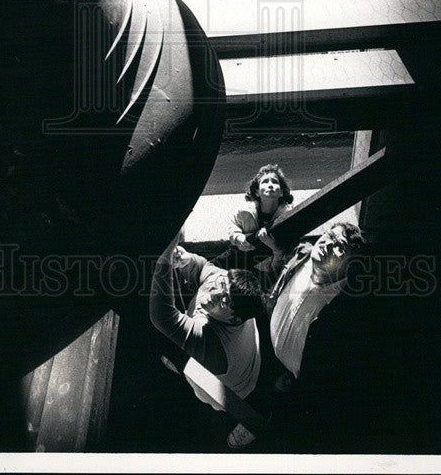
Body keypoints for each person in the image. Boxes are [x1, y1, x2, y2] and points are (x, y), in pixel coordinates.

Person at [227, 221, 366, 449]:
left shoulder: (345, 306)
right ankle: (253, 418)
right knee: (260, 392)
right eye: (328, 235)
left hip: (295, 383)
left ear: (350, 264)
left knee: (285, 418)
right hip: (267, 351)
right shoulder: (302, 255)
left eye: (339, 245)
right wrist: (277, 252)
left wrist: (302, 382)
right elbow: (281, 271)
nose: (327, 243)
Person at [149, 237, 264, 408]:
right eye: (221, 284)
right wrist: (188, 261)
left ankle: (179, 367)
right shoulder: (227, 282)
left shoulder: (213, 346)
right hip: (245, 360)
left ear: (234, 319)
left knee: (187, 365)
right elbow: (203, 268)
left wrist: (164, 260)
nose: (214, 293)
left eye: (224, 300)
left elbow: (163, 317)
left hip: (232, 391)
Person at [228, 164, 294, 272]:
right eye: (265, 182)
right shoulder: (245, 211)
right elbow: (233, 226)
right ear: (257, 192)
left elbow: (282, 263)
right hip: (241, 260)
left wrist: (275, 248)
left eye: (274, 181)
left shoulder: (288, 216)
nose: (270, 185)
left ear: (281, 192)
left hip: (268, 270)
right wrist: (239, 238)